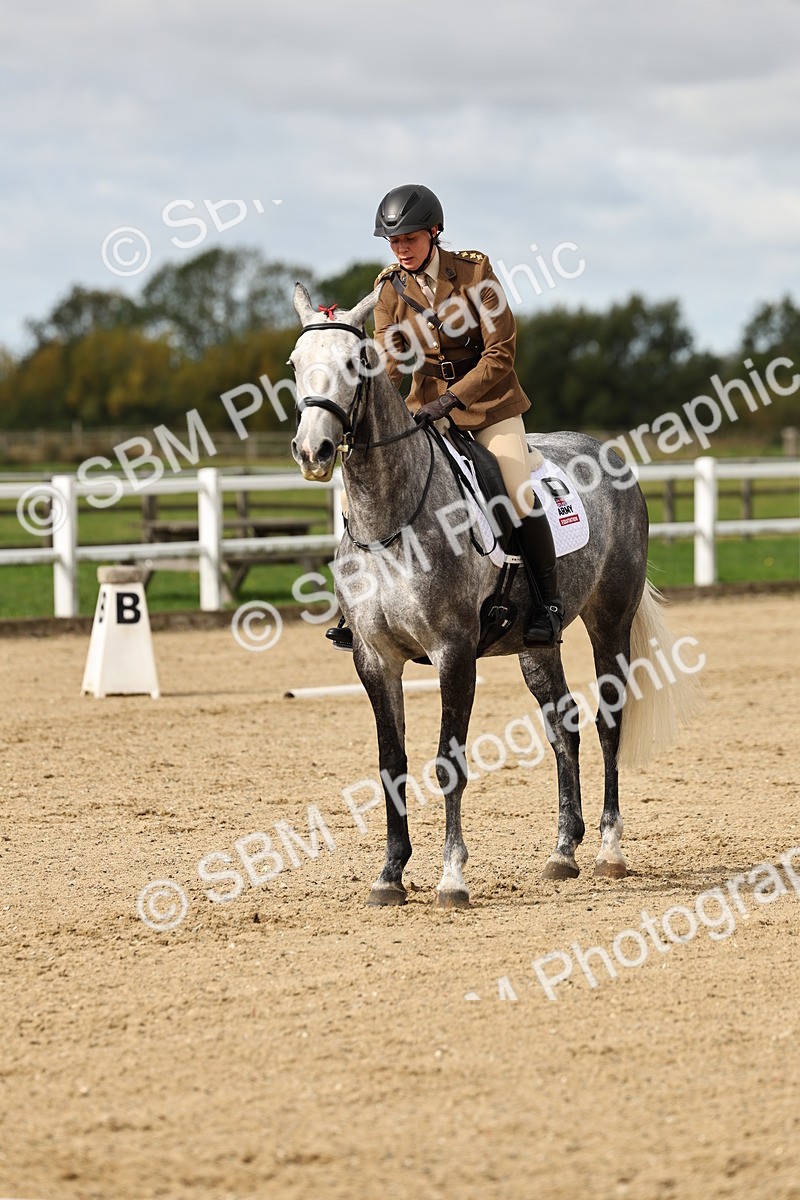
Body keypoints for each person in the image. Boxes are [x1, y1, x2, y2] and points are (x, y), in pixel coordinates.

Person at [327, 183, 563, 650]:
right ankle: (355, 609)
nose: (401, 249)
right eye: (393, 242)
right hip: (423, 411)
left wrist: (451, 400)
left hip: (489, 406)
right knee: (361, 496)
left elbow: (500, 354)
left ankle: (547, 604)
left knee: (515, 492)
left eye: (409, 239)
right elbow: (389, 363)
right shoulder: (389, 290)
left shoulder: (476, 274)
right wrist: (365, 413)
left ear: (434, 232)